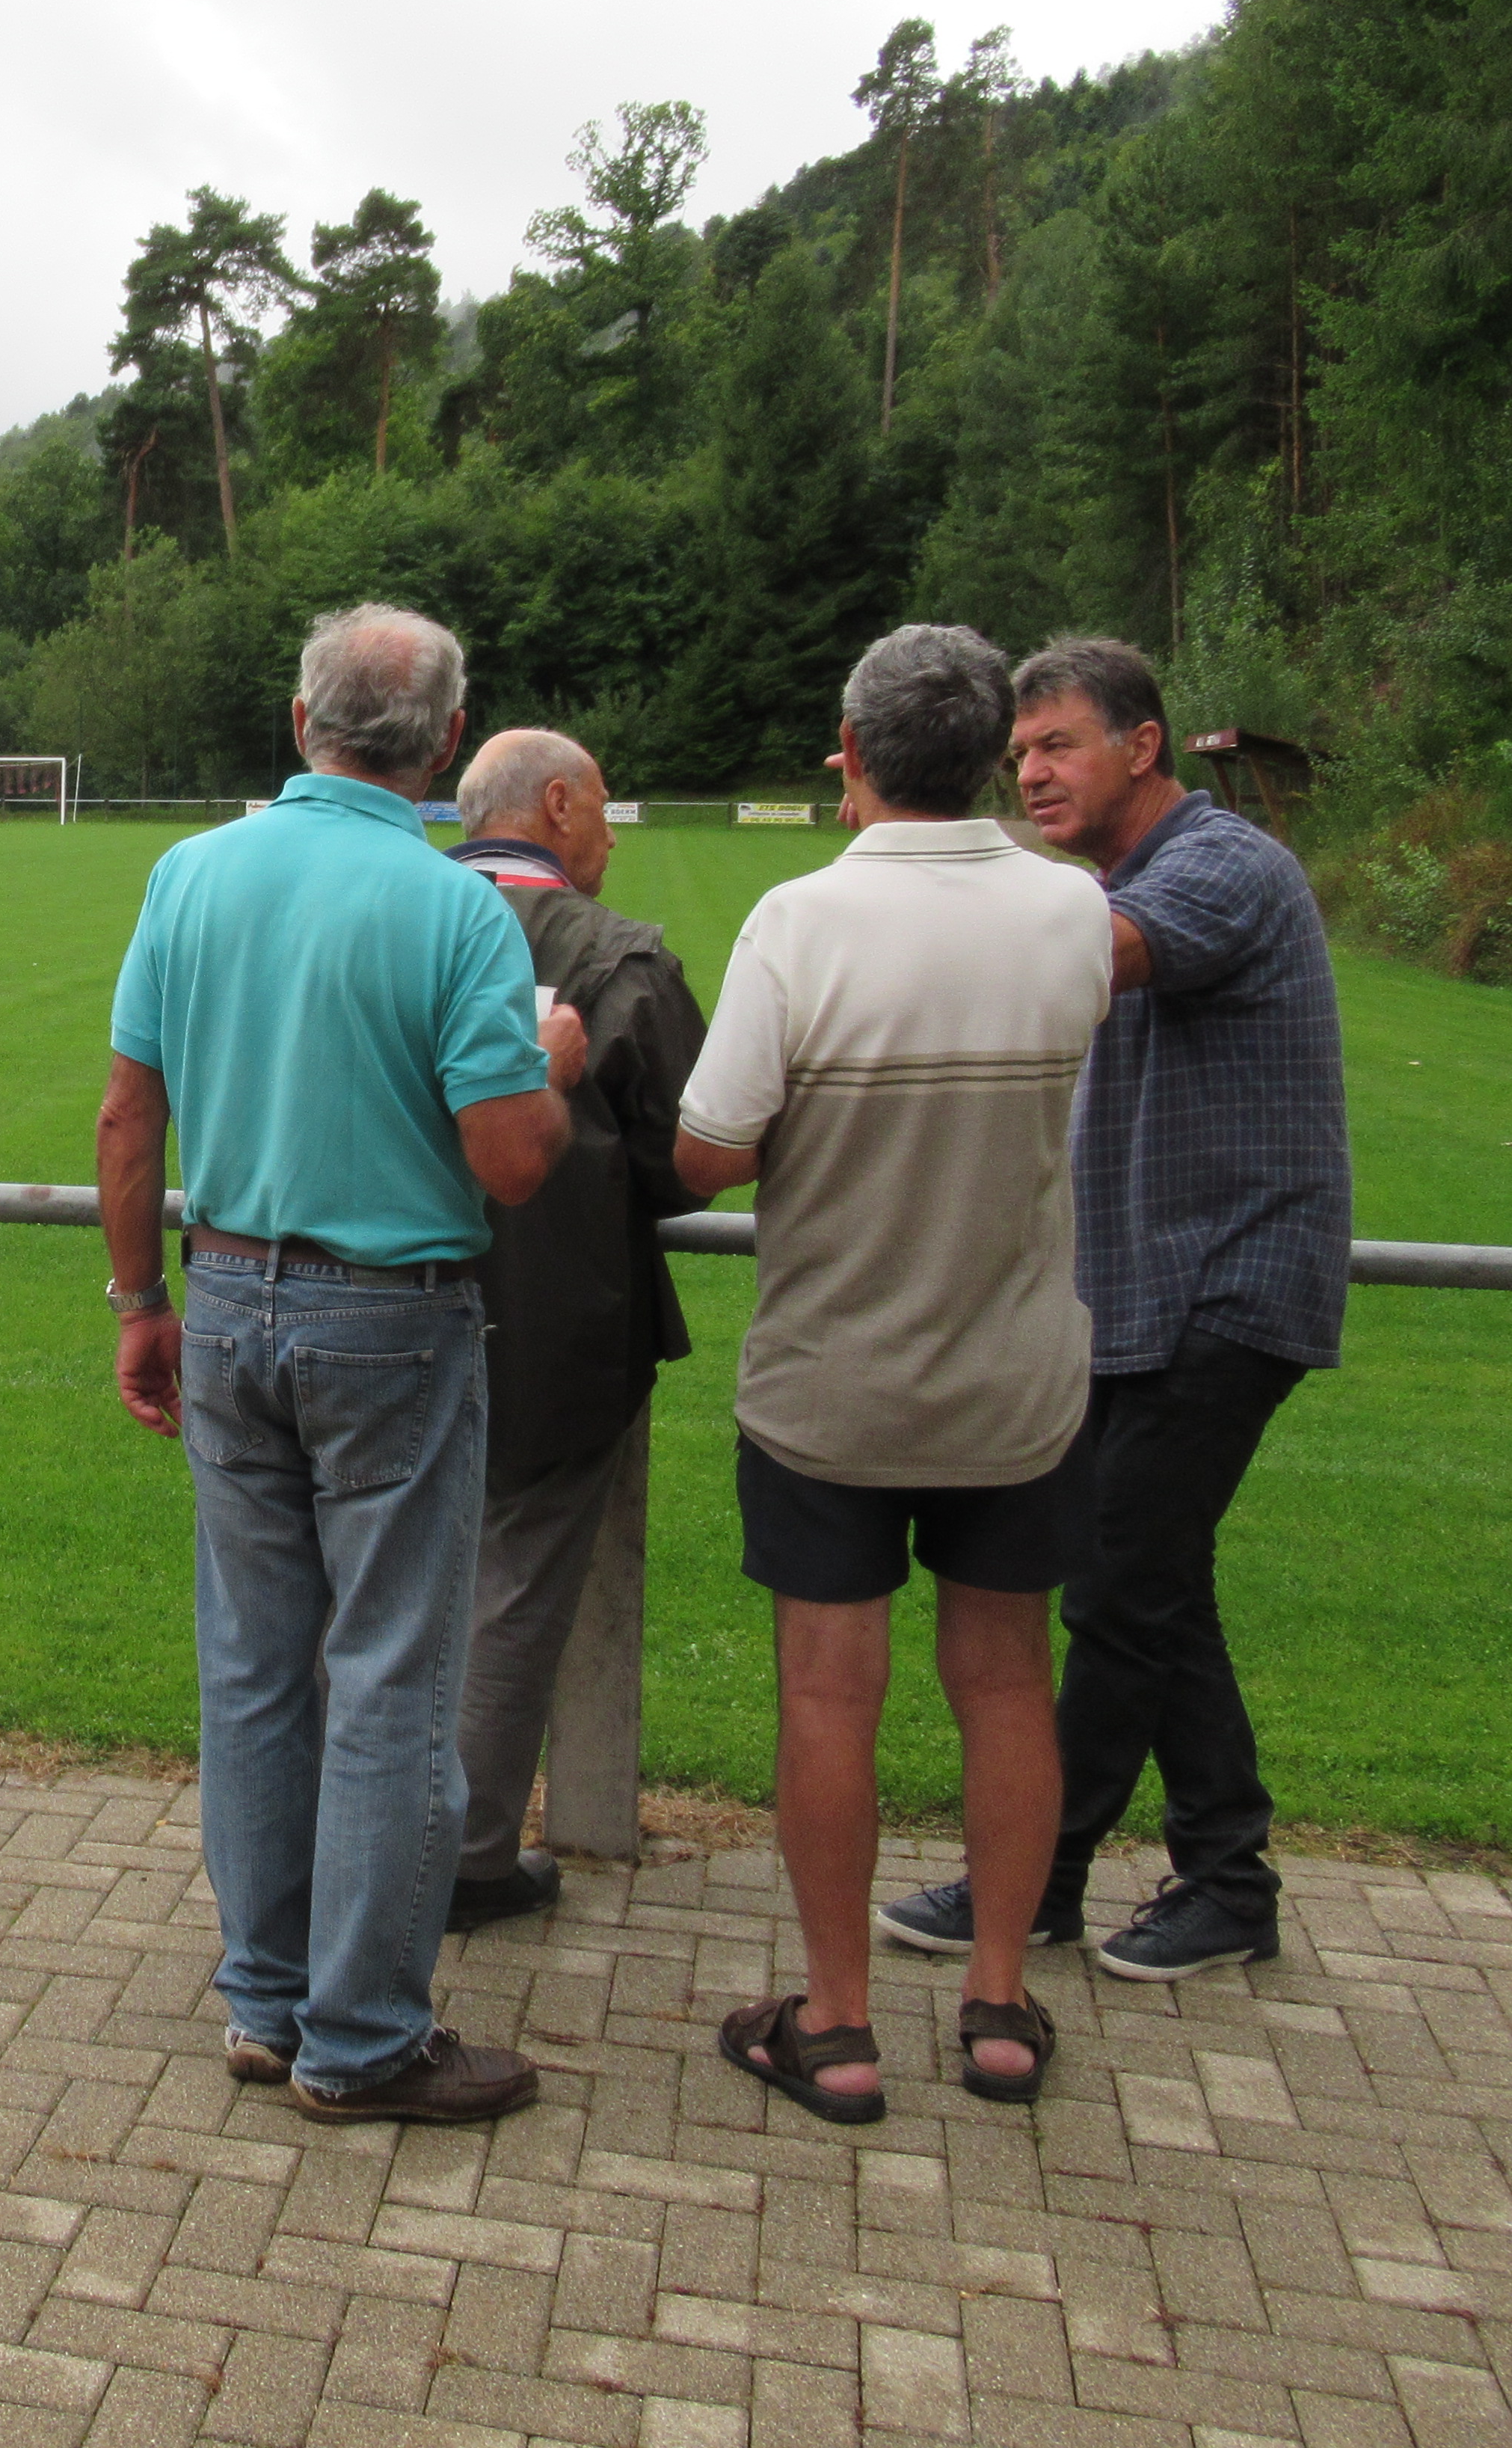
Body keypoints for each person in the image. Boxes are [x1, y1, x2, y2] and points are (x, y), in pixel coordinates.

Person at [97, 604, 583, 2125]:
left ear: (302, 721)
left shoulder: (192, 873)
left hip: (226, 1297)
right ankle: (362, 2036)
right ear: (449, 740)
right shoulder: (458, 911)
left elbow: (127, 1117)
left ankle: (265, 1997)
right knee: (389, 1680)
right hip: (389, 1319)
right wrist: (555, 1066)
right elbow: (512, 1161)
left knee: (254, 1668)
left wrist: (139, 1300)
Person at [671, 625, 1109, 2123]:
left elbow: (710, 1152)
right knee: (1009, 1682)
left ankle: (839, 2023)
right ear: (992, 755)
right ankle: (999, 2005)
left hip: (834, 1384)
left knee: (828, 1693)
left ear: (850, 754)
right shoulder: (1072, 911)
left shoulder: (799, 922)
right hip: (1019, 1383)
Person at [879, 639, 1347, 1981]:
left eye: (1058, 745)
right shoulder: (1120, 882)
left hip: (1227, 1288)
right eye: (1017, 753)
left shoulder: (1219, 867)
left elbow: (1094, 956)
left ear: (1143, 747)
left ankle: (1036, 1879)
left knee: (1119, 1590)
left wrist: (904, 883)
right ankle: (1226, 1880)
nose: (1030, 774)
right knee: (1155, 1587)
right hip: (1146, 1299)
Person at [441, 729, 705, 1928]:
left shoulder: (387, 920)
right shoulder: (622, 957)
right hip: (561, 1330)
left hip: (372, 1310)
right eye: (603, 808)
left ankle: (358, 1849)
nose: (611, 833)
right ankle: (464, 1860)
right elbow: (684, 1157)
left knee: (369, 1591)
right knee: (515, 1588)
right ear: (555, 806)